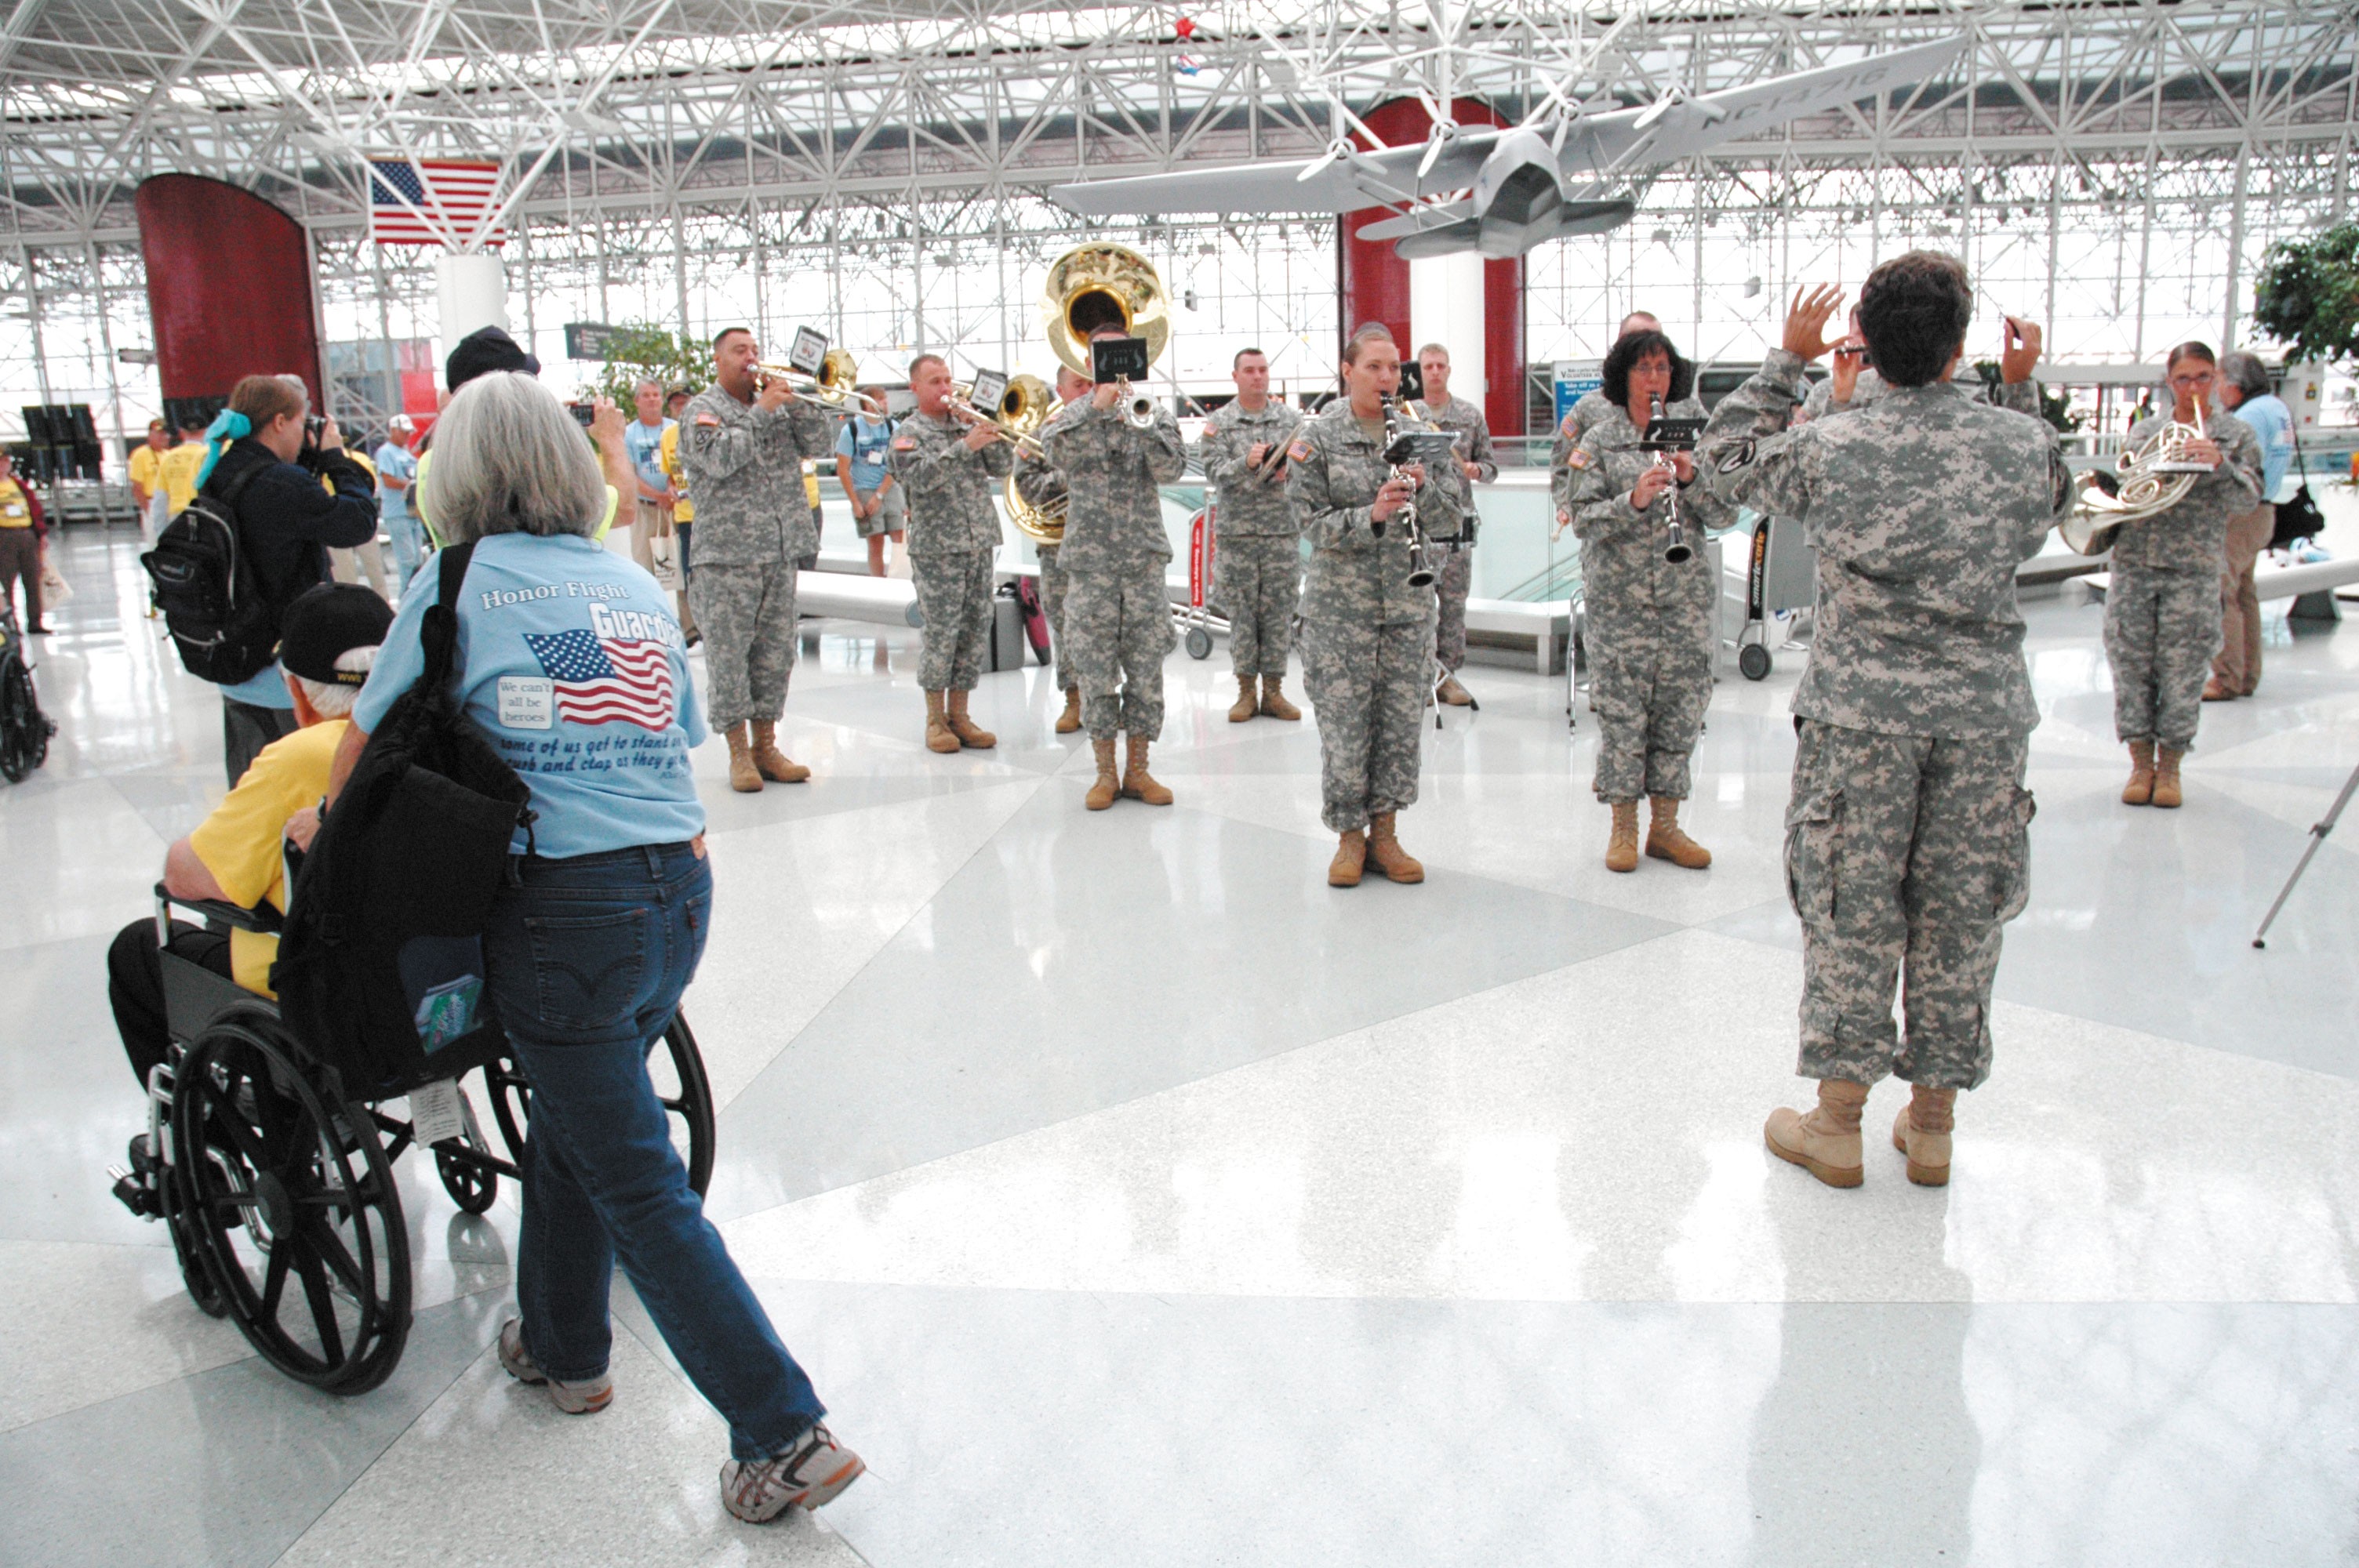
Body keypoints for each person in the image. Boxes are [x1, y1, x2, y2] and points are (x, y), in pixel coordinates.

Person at [326, 371, 862, 1526]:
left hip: (562, 910)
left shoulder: (453, 582)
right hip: (678, 894)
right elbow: (673, 736)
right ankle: (569, 1349)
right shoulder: (629, 581)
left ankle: (785, 1432)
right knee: (580, 1113)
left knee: (640, 1187)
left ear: (453, 477)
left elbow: (361, 756)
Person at [1698, 258, 2073, 1190]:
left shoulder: (1832, 443)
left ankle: (1835, 1123)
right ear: (1957, 346)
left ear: (1863, 339)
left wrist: (1784, 364)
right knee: (1959, 912)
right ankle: (1933, 1123)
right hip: (1981, 717)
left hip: (1860, 715)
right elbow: (2056, 498)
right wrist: (2020, 390)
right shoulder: (2016, 444)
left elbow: (1721, 465)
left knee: (1850, 908)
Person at [104, 583, 392, 1087]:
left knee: (137, 949)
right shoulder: (438, 732)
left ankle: (209, 1138)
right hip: (433, 985)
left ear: (296, 690)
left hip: (315, 998)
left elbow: (183, 878)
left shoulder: (301, 757)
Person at [1287, 325, 1466, 885]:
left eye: (1394, 368)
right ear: (1347, 370)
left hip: (1409, 608)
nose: (1387, 378)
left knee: (1397, 725)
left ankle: (1386, 834)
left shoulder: (1422, 436)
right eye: (1374, 367)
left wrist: (1424, 487)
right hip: (1341, 614)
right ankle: (1348, 838)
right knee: (1344, 728)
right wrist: (1372, 515)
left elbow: (1453, 519)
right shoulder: (1316, 437)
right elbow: (1307, 523)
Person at [1558, 327, 1736, 873]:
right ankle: (1623, 827)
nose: (1654, 378)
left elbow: (1726, 513)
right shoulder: (1600, 440)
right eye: (1643, 368)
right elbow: (1582, 518)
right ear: (1623, 376)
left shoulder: (1692, 434)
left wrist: (1692, 479)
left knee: (1680, 714)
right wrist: (1632, 501)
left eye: (1662, 368)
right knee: (1622, 718)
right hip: (1620, 605)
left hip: (1683, 603)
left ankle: (1665, 827)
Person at [197, 374, 380, 785]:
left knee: (251, 791)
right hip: (280, 675)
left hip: (237, 659)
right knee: (295, 796)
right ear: (279, 422)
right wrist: (334, 459)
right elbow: (357, 523)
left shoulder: (223, 471)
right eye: (301, 423)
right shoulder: (279, 483)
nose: (304, 433)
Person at [679, 328, 838, 792]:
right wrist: (760, 412)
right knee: (731, 657)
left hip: (779, 549)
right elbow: (721, 459)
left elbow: (819, 442)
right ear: (718, 359)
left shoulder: (775, 401)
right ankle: (738, 753)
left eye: (754, 349)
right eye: (739, 351)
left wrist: (798, 397)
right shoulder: (702, 411)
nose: (750, 358)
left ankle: (767, 745)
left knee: (775, 655)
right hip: (727, 557)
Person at [2104, 343, 2262, 808]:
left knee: (2184, 669)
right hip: (2135, 564)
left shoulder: (2236, 435)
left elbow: (2249, 499)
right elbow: (2128, 490)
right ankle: (2139, 763)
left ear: (2215, 379)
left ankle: (2170, 766)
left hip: (2193, 569)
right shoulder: (2145, 432)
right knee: (2130, 665)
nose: (2193, 388)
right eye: (2183, 379)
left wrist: (2218, 464)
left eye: (2203, 377)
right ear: (2168, 382)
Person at [1040, 323, 1187, 809]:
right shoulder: (1070, 418)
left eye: (1122, 356)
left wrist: (1137, 423)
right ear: (1089, 362)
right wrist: (1097, 408)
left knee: (1146, 670)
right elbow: (1055, 454)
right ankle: (1105, 772)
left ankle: (1139, 770)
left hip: (1142, 562)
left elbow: (1171, 470)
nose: (1114, 365)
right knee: (1095, 669)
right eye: (1104, 357)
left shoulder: (1154, 415)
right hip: (1090, 564)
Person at [890, 354, 1012, 753]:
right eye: (934, 381)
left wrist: (987, 427)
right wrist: (964, 447)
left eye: (947, 379)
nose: (945, 388)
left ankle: (961, 714)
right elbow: (917, 479)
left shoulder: (966, 424)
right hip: (938, 548)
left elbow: (1003, 464)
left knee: (974, 629)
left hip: (978, 541)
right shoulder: (908, 432)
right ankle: (935, 719)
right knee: (942, 632)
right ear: (915, 388)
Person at [1193, 347, 1305, 723]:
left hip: (1280, 533)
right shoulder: (1219, 423)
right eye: (1250, 371)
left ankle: (1273, 691)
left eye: (1263, 370)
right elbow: (1211, 470)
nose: (1258, 377)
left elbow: (1309, 466)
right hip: (1237, 535)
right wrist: (1246, 463)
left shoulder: (1291, 421)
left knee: (1278, 612)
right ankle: (1245, 692)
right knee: (1242, 614)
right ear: (1236, 376)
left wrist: (1287, 472)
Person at [1412, 343, 1497, 707]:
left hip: (1457, 524)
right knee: (1417, 605)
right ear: (1419, 372)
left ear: (1449, 370)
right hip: (1419, 525)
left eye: (1440, 366)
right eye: (1428, 366)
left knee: (1453, 605)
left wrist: (1479, 470)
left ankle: (1447, 676)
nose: (1434, 372)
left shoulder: (1469, 415)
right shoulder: (1406, 415)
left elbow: (1491, 467)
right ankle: (1419, 677)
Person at [2208, 350, 2293, 702]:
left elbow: (2232, 463)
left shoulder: (2250, 416)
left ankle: (2226, 677)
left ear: (2236, 384)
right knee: (2244, 594)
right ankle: (2247, 676)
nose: (2216, 390)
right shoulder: (2276, 407)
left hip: (2242, 513)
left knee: (2221, 593)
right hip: (2264, 511)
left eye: (2218, 381)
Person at [1013, 366, 1091, 734]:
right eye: (1079, 385)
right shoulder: (1040, 435)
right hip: (1059, 546)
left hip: (1110, 546)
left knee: (1114, 625)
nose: (1087, 390)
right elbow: (1027, 485)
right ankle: (1074, 699)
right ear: (1061, 390)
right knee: (1064, 623)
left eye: (1092, 383)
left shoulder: (1115, 426)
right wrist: (1073, 472)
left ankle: (1110, 698)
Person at [835, 388, 905, 577]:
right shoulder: (851, 430)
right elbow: (843, 469)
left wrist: (881, 494)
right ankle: (877, 581)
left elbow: (898, 463)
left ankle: (900, 577)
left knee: (899, 536)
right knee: (875, 540)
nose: (886, 403)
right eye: (881, 399)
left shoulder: (894, 427)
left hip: (889, 487)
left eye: (885, 398)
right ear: (868, 404)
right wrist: (855, 502)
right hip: (864, 489)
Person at [620, 378, 676, 581]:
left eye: (656, 395)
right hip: (645, 510)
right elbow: (629, 475)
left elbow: (682, 468)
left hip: (674, 508)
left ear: (662, 400)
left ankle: (684, 614)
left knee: (679, 572)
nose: (652, 400)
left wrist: (671, 488)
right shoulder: (629, 434)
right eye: (646, 395)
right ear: (637, 401)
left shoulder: (674, 428)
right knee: (644, 571)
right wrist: (658, 496)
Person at [659, 387, 700, 644]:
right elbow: (669, 475)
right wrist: (671, 489)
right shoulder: (668, 436)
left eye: (685, 403)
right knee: (689, 575)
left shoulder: (706, 427)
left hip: (710, 516)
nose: (681, 408)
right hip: (684, 516)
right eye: (675, 405)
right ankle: (694, 632)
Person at [375, 415, 424, 596]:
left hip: (412, 512)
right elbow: (388, 480)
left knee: (417, 559)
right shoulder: (386, 452)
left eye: (408, 432)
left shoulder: (406, 453)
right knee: (407, 561)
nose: (407, 436)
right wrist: (411, 484)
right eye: (403, 432)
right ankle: (406, 597)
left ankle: (413, 595)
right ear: (393, 431)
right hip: (397, 512)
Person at [0, 449, 47, 634]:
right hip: (4, 535)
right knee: (6, 581)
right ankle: (10, 623)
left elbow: (34, 509)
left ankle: (35, 621)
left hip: (26, 534)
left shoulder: (18, 485)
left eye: (6, 461)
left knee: (33, 580)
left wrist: (41, 534)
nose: (3, 465)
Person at [156, 413, 212, 518]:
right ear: (206, 431)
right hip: (205, 513)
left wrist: (161, 531)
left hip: (177, 514)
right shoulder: (210, 455)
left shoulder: (168, 458)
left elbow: (161, 498)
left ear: (181, 432)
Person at [129, 419, 169, 535]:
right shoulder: (141, 454)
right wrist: (148, 510)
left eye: (165, 434)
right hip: (152, 502)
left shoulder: (169, 455)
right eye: (159, 434)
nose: (163, 437)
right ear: (150, 435)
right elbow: (137, 487)